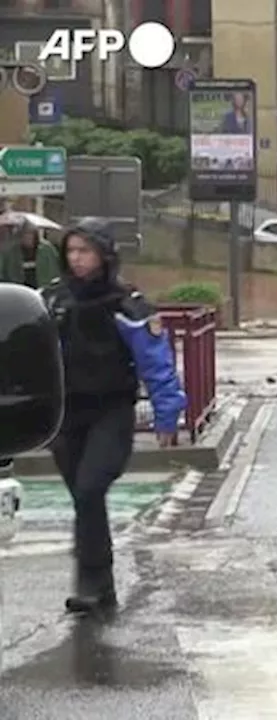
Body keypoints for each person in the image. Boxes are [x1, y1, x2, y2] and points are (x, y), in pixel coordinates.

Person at [42, 218, 186, 614]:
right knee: (84, 500)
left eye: (84, 251)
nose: (76, 259)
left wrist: (167, 414)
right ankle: (99, 582)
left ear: (104, 255)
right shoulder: (52, 300)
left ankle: (90, 580)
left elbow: (157, 361)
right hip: (67, 414)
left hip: (112, 411)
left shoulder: (126, 303)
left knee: (90, 489)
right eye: (70, 251)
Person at [0, 219, 60, 288]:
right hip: (19, 288)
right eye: (25, 234)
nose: (28, 237)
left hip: (43, 287)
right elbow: (5, 272)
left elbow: (56, 270)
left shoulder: (46, 248)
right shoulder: (12, 251)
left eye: (30, 234)